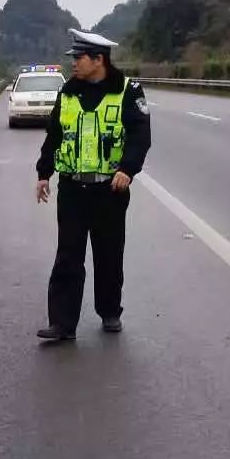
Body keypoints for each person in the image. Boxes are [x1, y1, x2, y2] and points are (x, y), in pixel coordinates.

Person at [35, 29, 151, 342]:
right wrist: (43, 173)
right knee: (68, 256)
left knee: (109, 253)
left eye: (79, 58)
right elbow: (54, 135)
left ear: (98, 60)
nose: (74, 63)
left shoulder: (128, 91)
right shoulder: (68, 93)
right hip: (72, 189)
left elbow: (141, 136)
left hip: (109, 190)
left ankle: (110, 311)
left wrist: (128, 169)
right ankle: (62, 323)